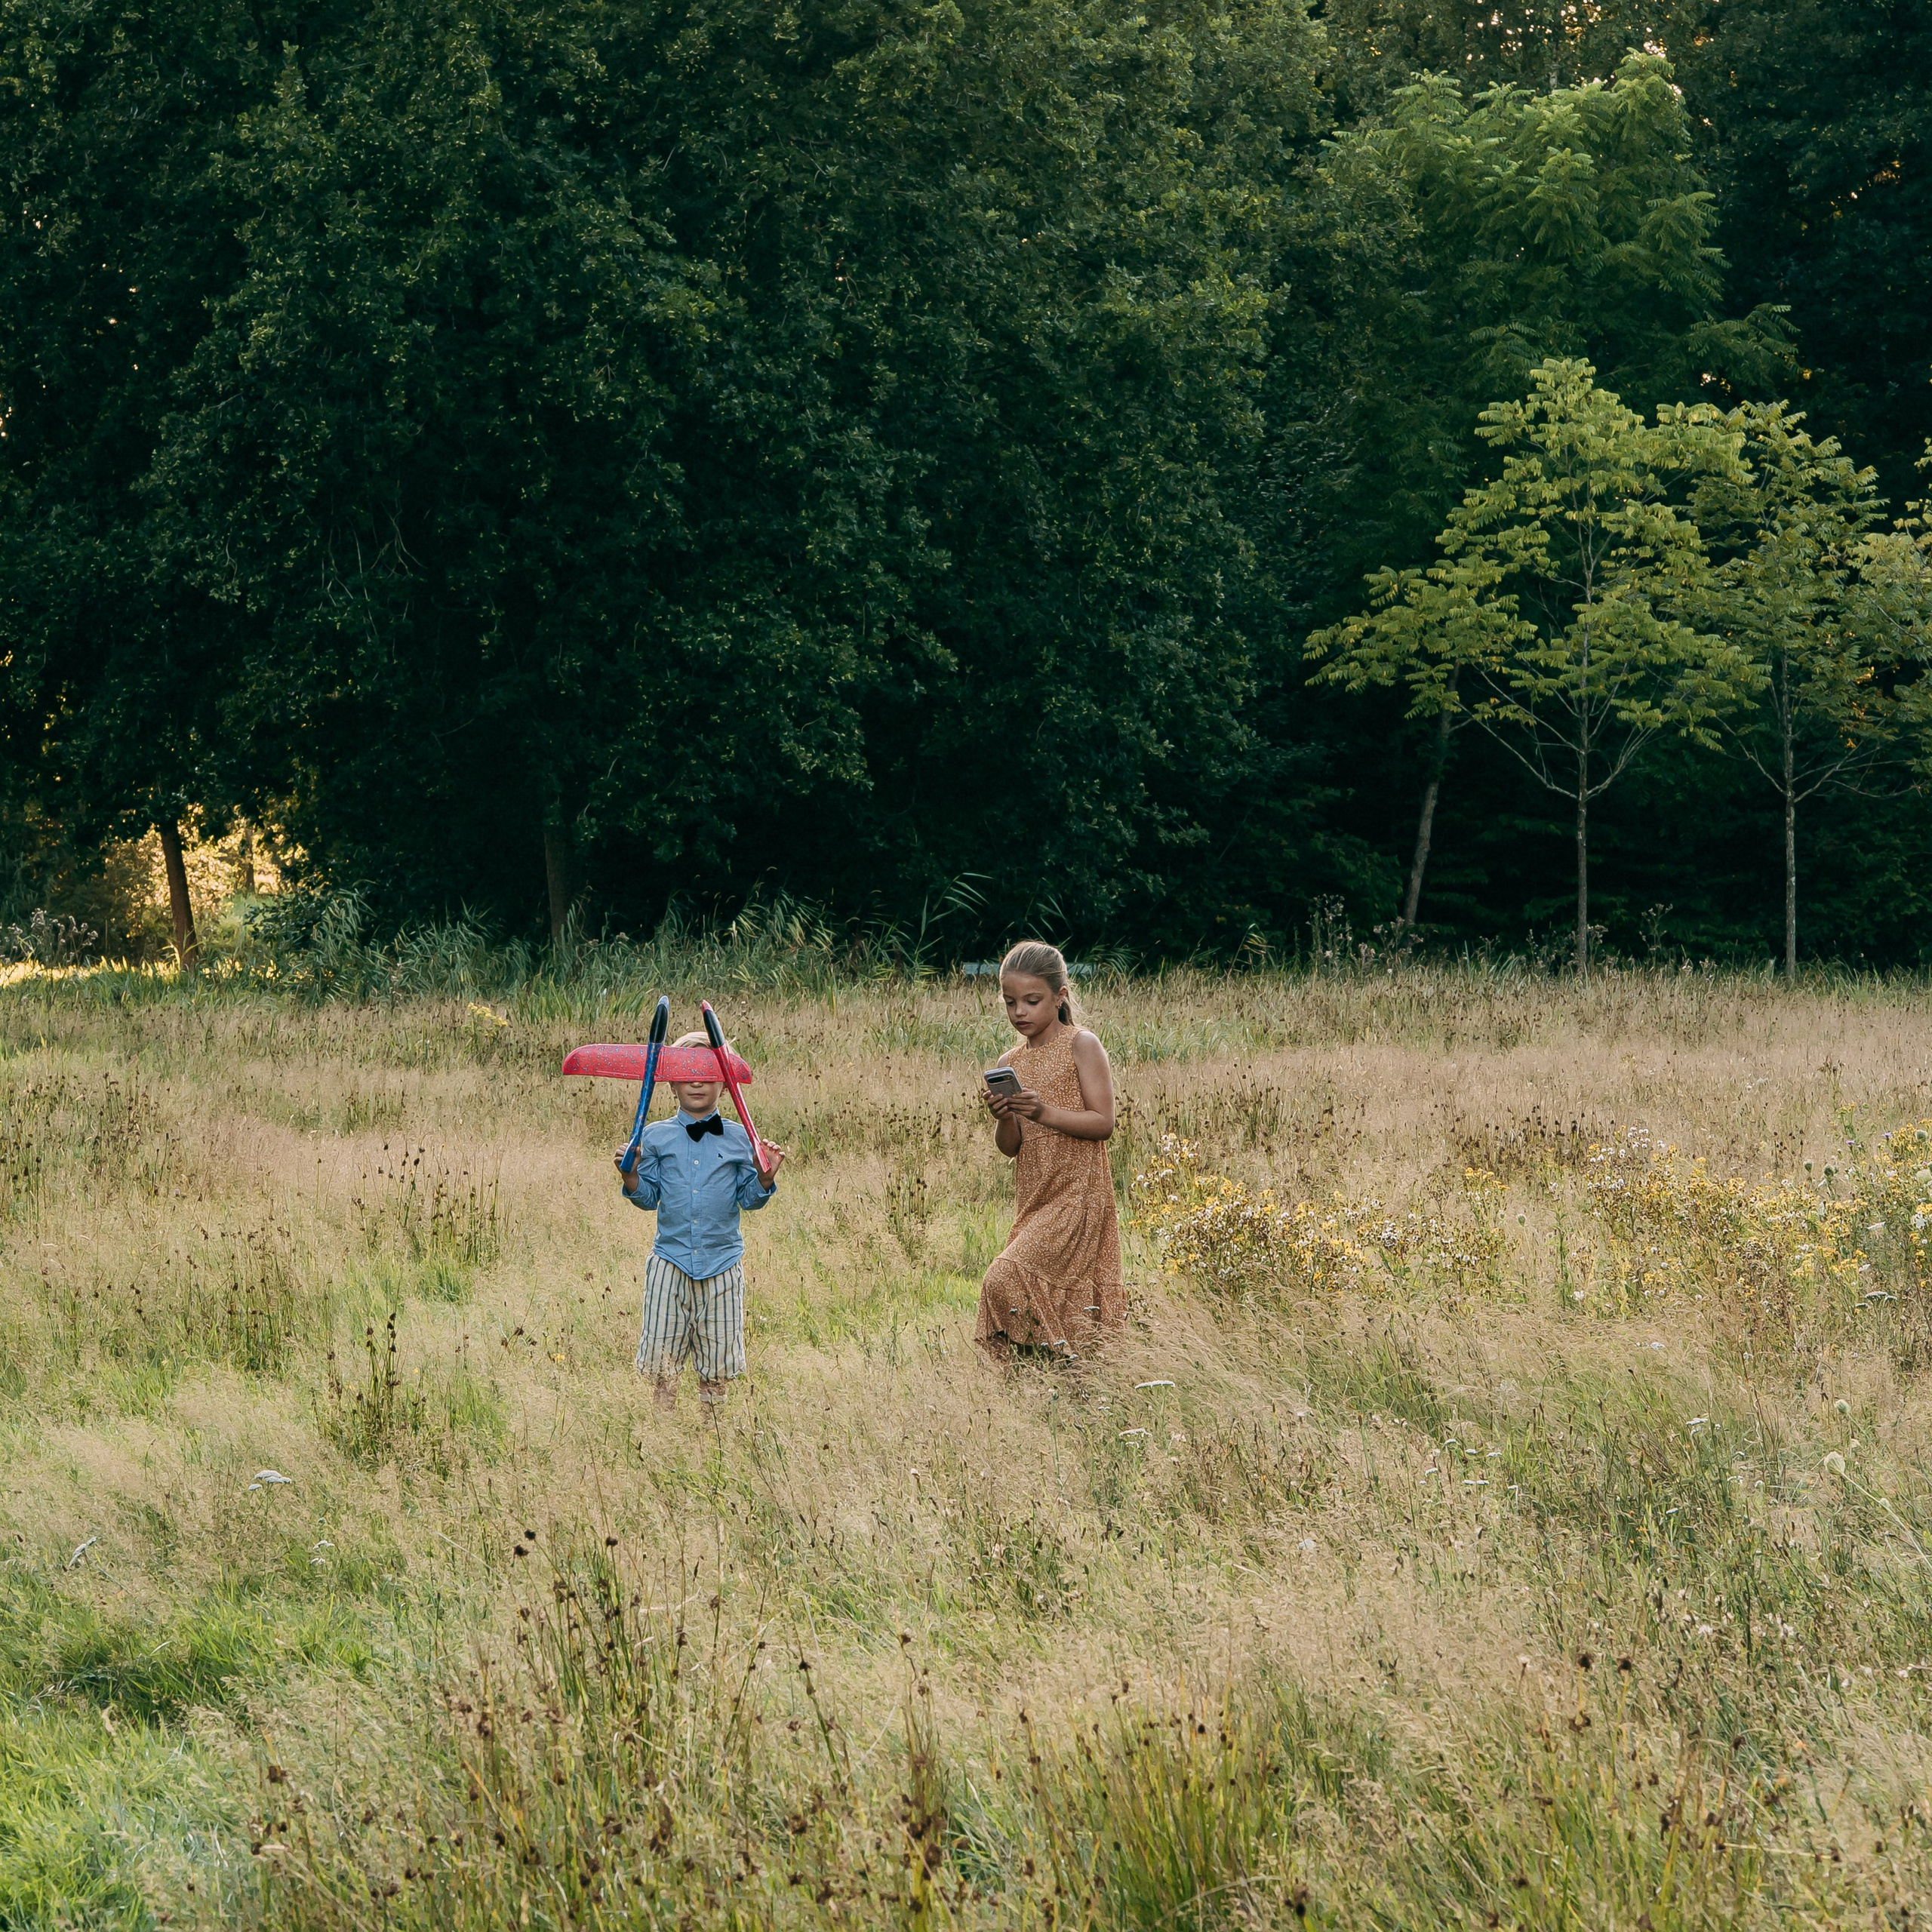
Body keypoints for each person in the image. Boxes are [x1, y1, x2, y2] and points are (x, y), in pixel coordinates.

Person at [618, 1030, 785, 1408]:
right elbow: (648, 1198)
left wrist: (764, 1178)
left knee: (717, 1369)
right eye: (687, 1073)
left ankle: (712, 1443)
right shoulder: (655, 1137)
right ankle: (663, 1439)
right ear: (672, 1082)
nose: (697, 1081)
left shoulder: (742, 1139)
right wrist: (631, 1177)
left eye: (708, 1074)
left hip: (723, 1265)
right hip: (670, 1263)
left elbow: (748, 1199)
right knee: (663, 1368)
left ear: (725, 1085)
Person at [976, 941, 1123, 1362]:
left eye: (1031, 1000)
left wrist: (1042, 1111)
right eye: (1010, 1002)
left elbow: (1103, 1123)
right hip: (1036, 1196)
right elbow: (1010, 1147)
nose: (1019, 1012)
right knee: (1023, 1281)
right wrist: (1005, 1116)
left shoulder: (1082, 1044)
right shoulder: (1011, 1060)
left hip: (1079, 1192)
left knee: (1003, 1275)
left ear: (1060, 997)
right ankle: (1050, 1377)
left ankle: (1066, 1365)